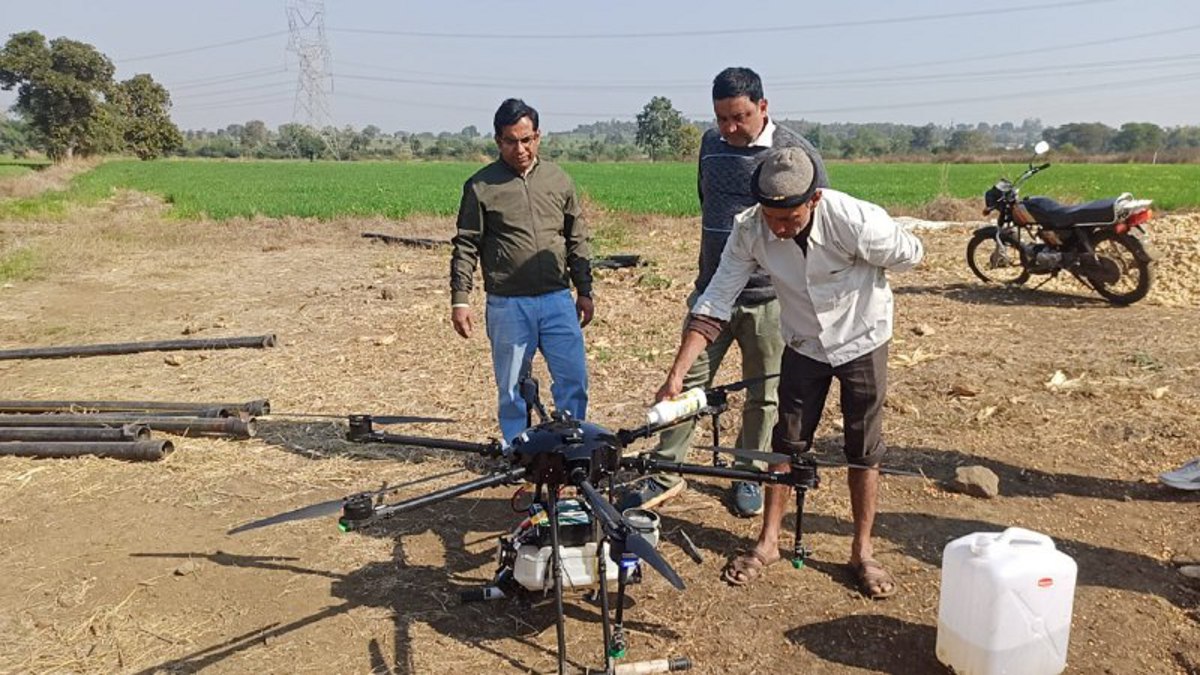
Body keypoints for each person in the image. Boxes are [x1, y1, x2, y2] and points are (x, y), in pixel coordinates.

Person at [657, 146, 923, 599]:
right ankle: (768, 542)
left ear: (814, 199)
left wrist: (869, 262)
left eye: (790, 219)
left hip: (863, 337)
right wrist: (678, 373)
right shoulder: (750, 230)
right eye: (772, 217)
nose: (779, 229)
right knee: (787, 439)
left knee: (863, 445)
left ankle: (862, 551)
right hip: (802, 341)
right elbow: (718, 297)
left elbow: (910, 254)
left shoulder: (856, 220)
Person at [619, 67, 828, 517]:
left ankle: (748, 473)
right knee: (685, 384)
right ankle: (665, 469)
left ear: (763, 107)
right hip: (711, 290)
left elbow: (817, 216)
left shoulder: (795, 153)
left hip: (769, 300)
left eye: (740, 117)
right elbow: (706, 199)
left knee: (763, 393)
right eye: (721, 118)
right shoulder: (710, 146)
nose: (730, 129)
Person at [449, 98, 594, 442]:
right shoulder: (481, 187)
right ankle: (518, 450)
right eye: (511, 141)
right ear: (498, 141)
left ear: (538, 137)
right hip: (508, 304)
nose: (521, 149)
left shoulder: (559, 181)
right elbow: (467, 244)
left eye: (527, 139)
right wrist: (460, 299)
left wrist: (585, 291)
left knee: (573, 378)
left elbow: (577, 239)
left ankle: (571, 446)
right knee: (512, 386)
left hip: (558, 299)